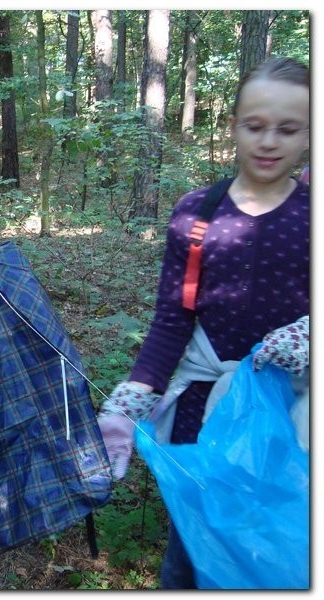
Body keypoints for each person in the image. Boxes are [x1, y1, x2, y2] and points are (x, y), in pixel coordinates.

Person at [96, 56, 309, 589]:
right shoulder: (197, 215)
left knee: (281, 552)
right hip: (202, 421)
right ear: (232, 125)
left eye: (288, 128)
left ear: (310, 134)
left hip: (293, 424)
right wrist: (127, 406)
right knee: (194, 553)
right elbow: (172, 322)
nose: (268, 141)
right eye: (254, 125)